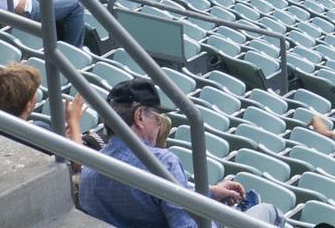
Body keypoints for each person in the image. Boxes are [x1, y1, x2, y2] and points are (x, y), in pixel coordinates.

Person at [79, 79, 254, 227]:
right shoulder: (164, 163)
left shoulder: (89, 169)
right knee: (266, 212)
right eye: (158, 118)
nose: (159, 126)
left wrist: (208, 194)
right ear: (140, 117)